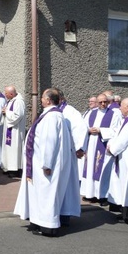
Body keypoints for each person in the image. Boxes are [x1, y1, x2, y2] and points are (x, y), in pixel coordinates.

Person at [13, 88, 73, 237]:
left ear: (48, 100)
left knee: (47, 195)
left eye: (42, 98)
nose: (40, 100)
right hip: (40, 163)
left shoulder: (52, 117)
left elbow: (49, 142)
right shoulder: (53, 115)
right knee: (41, 195)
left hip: (46, 166)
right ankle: (39, 221)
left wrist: (47, 164)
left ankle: (48, 227)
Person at [81, 92, 122, 204]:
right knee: (90, 169)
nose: (103, 104)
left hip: (104, 144)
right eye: (100, 102)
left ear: (108, 102)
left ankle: (102, 195)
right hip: (91, 144)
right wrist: (88, 130)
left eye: (105, 102)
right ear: (97, 103)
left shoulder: (114, 114)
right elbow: (83, 126)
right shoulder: (91, 113)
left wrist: (100, 130)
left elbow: (116, 130)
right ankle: (91, 194)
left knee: (103, 169)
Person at [58, 90, 87, 226]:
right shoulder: (53, 112)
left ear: (61, 99)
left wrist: (80, 148)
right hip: (56, 156)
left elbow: (80, 129)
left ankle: (65, 214)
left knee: (67, 185)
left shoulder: (71, 112)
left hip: (68, 155)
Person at [0, 85, 26, 177]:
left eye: (6, 93)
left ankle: (15, 170)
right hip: (9, 129)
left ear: (11, 94)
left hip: (15, 131)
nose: (5, 94)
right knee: (9, 149)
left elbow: (17, 116)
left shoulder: (19, 102)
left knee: (14, 149)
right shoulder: (11, 101)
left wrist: (7, 112)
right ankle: (8, 167)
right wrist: (5, 112)